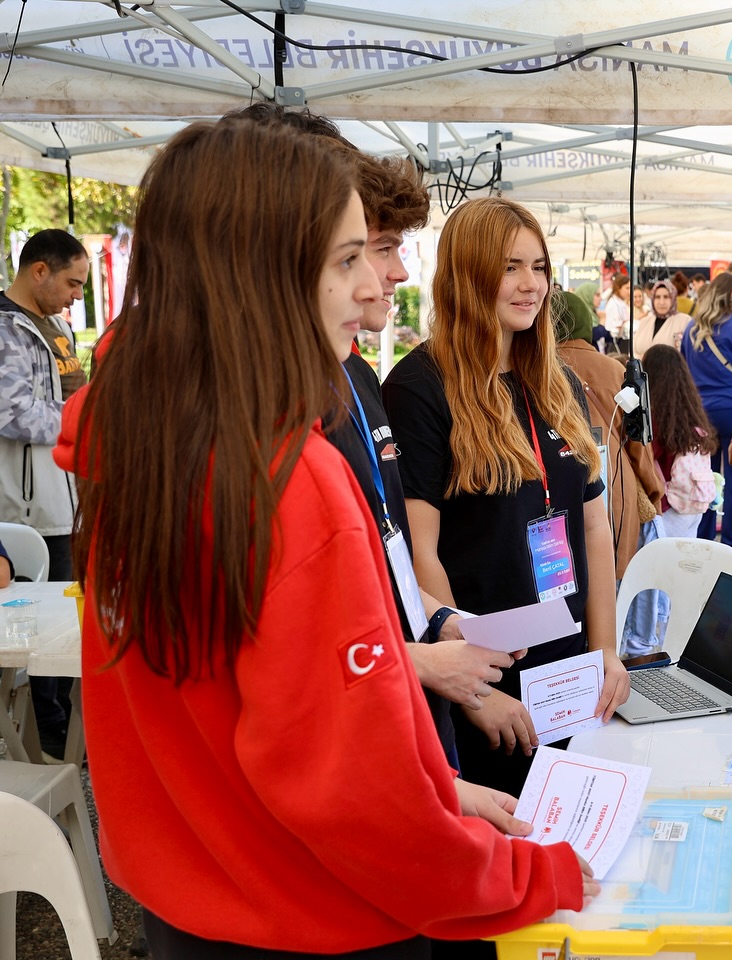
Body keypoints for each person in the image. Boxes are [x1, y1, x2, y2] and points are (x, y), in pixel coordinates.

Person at [56, 119, 595, 959]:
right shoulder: (284, 478)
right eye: (348, 259)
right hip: (317, 914)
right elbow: (350, 796)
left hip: (196, 902)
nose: (370, 287)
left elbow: (239, 715)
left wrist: (434, 792)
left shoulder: (140, 444)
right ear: (261, 272)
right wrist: (530, 876)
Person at [232, 103, 512, 771]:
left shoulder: (354, 373)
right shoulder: (256, 414)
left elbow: (381, 554)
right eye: (368, 251)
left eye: (378, 249)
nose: (391, 274)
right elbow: (281, 645)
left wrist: (438, 623)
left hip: (396, 693)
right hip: (350, 725)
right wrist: (418, 659)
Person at [383, 197, 629, 799]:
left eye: (540, 267)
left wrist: (606, 653)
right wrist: (470, 688)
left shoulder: (555, 378)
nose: (531, 285)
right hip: (488, 689)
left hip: (569, 676)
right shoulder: (420, 388)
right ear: (468, 274)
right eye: (511, 266)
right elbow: (421, 556)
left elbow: (592, 527)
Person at [0, 227, 88, 760]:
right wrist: (86, 420)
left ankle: (63, 723)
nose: (77, 294)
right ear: (39, 271)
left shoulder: (53, 325)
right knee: (41, 626)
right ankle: (47, 733)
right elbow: (11, 414)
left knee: (68, 619)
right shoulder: (7, 330)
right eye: (72, 283)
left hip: (64, 495)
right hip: (30, 505)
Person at [554, 289, 664, 580]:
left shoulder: (538, 369)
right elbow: (638, 442)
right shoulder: (615, 369)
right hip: (613, 484)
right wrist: (653, 491)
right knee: (610, 581)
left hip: (555, 487)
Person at [682, 272, 732, 558]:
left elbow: (684, 374)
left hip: (701, 415)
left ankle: (704, 540)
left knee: (705, 479)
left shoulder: (691, 329)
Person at [642, 344, 718, 540]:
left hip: (670, 505)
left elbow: (647, 458)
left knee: (663, 563)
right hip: (694, 504)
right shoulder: (691, 413)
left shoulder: (656, 419)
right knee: (684, 562)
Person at [630, 279, 689, 359]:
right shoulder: (645, 322)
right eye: (657, 297)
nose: (661, 302)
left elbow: (684, 354)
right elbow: (633, 351)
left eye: (666, 297)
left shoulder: (684, 321)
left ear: (673, 298)